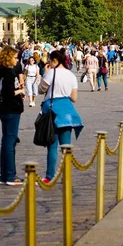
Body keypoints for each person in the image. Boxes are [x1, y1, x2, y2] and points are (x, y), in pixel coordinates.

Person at [39, 50, 83, 184]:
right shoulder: (71, 75)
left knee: (52, 147)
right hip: (67, 113)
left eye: (50, 61)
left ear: (54, 61)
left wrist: (45, 74)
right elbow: (74, 98)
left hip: (53, 113)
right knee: (66, 147)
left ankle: (49, 176)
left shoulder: (51, 73)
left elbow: (40, 90)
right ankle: (66, 175)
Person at [0, 46, 25, 186]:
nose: (17, 60)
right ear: (8, 58)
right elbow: (9, 92)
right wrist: (21, 91)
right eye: (15, 57)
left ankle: (4, 174)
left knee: (5, 140)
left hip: (3, 108)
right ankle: (11, 176)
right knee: (10, 142)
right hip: (11, 108)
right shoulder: (8, 73)